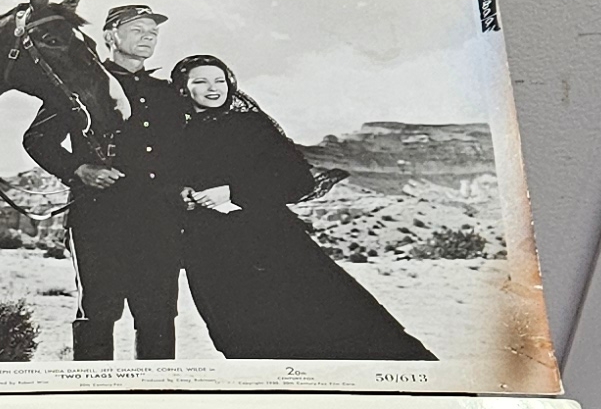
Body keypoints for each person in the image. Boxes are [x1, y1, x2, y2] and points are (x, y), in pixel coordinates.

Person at [167, 53, 432, 363]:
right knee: (236, 333)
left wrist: (232, 192)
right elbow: (160, 178)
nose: (213, 88)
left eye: (219, 80)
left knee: (323, 323)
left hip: (269, 244)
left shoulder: (250, 126)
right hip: (209, 251)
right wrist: (179, 193)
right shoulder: (171, 132)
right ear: (183, 88)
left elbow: (297, 180)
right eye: (201, 82)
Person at [20, 0, 185, 360]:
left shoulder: (167, 93)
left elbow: (184, 152)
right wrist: (78, 170)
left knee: (158, 314)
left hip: (159, 220)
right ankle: (92, 391)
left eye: (152, 32)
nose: (148, 37)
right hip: (99, 218)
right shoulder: (81, 82)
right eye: (137, 30)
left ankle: (157, 391)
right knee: (97, 312)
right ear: (111, 37)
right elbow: (37, 139)